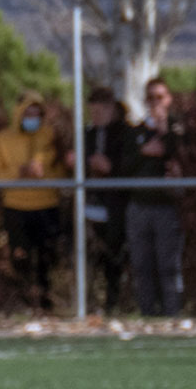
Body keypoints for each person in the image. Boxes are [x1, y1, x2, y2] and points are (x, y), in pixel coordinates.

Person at [0, 90, 67, 312]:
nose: (32, 119)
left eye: (37, 114)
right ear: (19, 114)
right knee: (19, 257)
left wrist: (44, 175)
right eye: (28, 113)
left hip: (46, 205)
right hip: (16, 206)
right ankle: (24, 301)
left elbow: (62, 173)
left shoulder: (50, 136)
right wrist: (19, 172)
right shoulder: (3, 140)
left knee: (47, 257)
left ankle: (46, 303)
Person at [119, 75, 187, 316]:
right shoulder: (136, 132)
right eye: (150, 98)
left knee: (169, 265)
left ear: (168, 99)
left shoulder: (178, 128)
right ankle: (147, 313)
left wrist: (165, 130)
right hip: (139, 205)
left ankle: (172, 313)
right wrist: (144, 152)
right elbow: (123, 166)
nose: (155, 102)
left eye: (160, 97)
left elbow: (180, 156)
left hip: (167, 206)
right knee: (141, 264)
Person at [81, 86, 130, 317]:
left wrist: (111, 168)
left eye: (100, 111)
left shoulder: (124, 134)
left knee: (115, 257)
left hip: (115, 206)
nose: (96, 116)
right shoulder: (87, 134)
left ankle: (114, 303)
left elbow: (131, 168)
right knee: (91, 257)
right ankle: (89, 304)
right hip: (90, 206)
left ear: (111, 109)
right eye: (93, 111)